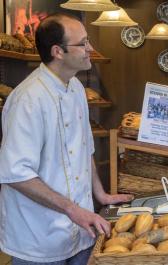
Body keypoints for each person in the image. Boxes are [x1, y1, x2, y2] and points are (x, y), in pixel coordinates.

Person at [0, 13, 133, 264]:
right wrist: (73, 210)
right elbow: (16, 173)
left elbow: (85, 149)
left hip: (81, 230)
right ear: (58, 52)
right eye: (82, 43)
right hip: (39, 236)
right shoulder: (27, 99)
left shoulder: (77, 89)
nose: (90, 48)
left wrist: (100, 195)